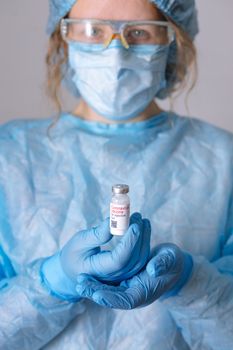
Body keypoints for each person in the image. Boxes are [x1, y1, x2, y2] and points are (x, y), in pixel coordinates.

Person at [0, 0, 233, 349]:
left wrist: (190, 280)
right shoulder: (10, 155)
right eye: (93, 31)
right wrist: (54, 281)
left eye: (139, 33)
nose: (115, 53)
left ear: (172, 42)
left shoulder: (222, 159)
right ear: (63, 37)